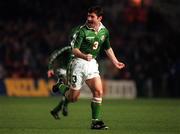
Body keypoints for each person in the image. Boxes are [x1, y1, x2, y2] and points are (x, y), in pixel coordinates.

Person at [53, 6, 125, 129]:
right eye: (88, 16)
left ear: (100, 18)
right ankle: (60, 84)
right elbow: (74, 50)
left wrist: (115, 61)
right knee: (73, 98)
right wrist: (83, 55)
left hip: (91, 64)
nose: (89, 19)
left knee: (98, 91)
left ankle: (95, 122)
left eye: (92, 17)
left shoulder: (104, 31)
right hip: (78, 64)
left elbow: (107, 47)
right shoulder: (82, 31)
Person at [47, 46, 72, 119]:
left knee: (71, 94)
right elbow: (54, 55)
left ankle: (55, 111)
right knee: (68, 88)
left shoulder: (81, 50)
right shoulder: (67, 49)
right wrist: (50, 68)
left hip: (71, 72)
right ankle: (65, 106)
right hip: (62, 70)